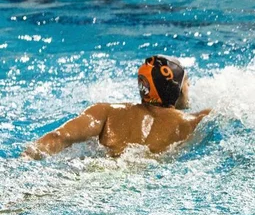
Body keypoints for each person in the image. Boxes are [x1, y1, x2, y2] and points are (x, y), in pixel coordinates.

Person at [23, 55, 211, 159]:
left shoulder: (106, 111)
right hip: (130, 182)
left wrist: (27, 156)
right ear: (176, 88)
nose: (189, 87)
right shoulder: (191, 123)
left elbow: (58, 137)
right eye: (187, 82)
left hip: (93, 170)